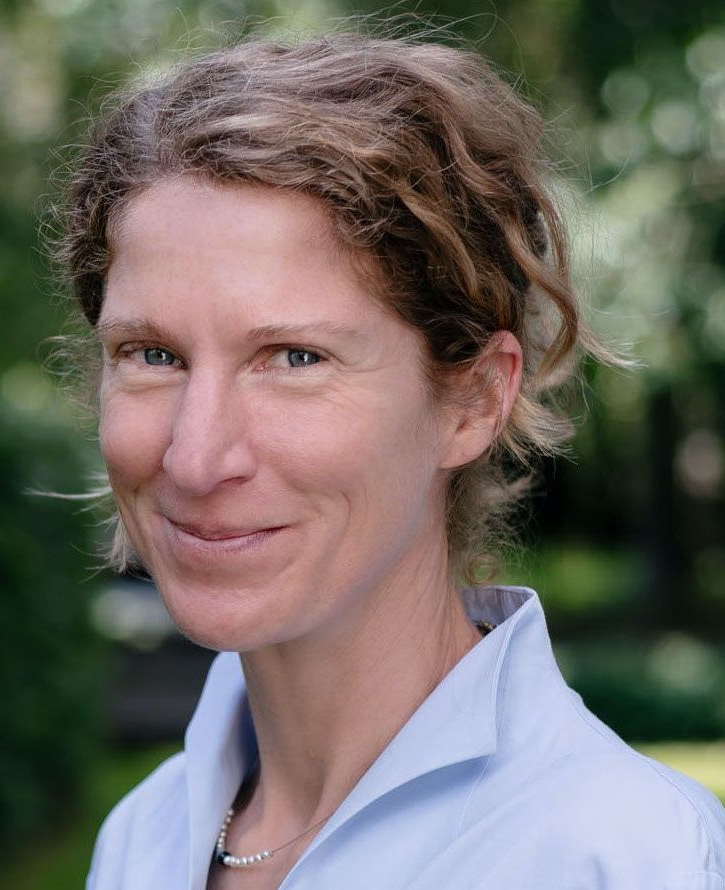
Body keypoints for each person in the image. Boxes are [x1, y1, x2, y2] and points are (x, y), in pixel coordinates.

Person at [57, 31, 725, 889]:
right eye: (153, 355)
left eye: (294, 358)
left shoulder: (625, 858)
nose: (195, 458)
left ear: (474, 399)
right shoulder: (140, 837)